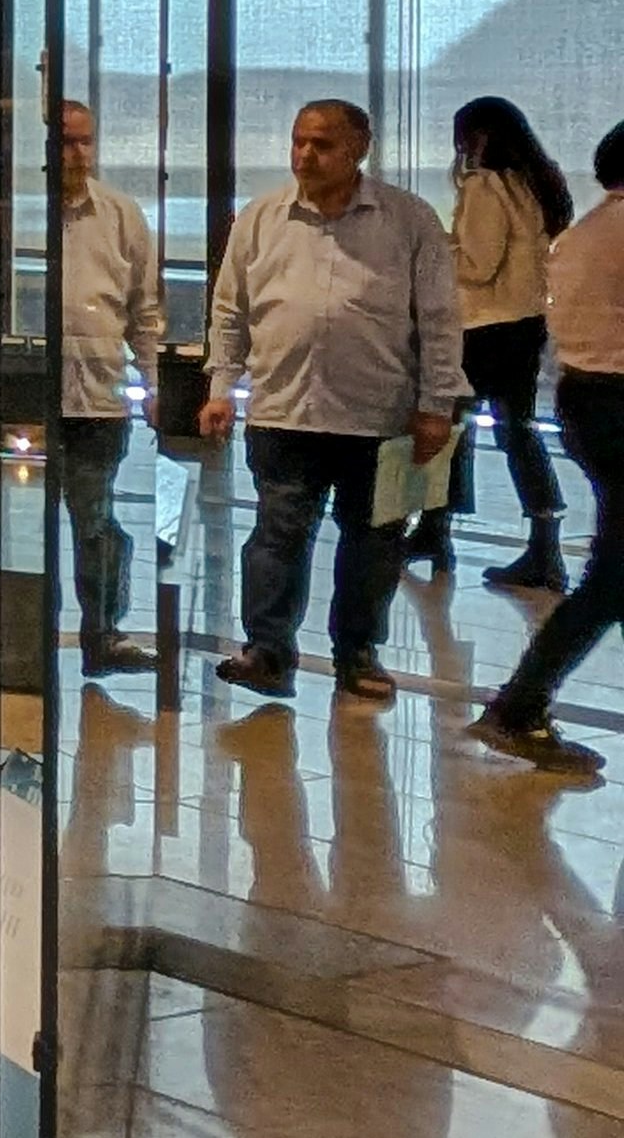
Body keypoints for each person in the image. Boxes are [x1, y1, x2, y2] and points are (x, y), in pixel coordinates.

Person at [197, 99, 462, 701]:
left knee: (373, 542)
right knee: (276, 535)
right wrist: (221, 389)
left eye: (322, 145)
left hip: (379, 415)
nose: (305, 155)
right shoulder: (261, 218)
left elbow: (440, 320)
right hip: (284, 411)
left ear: (359, 149)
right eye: (299, 142)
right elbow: (230, 310)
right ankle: (267, 651)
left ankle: (358, 653)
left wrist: (437, 404)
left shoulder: (408, 220)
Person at [467, 118, 624, 774]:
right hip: (615, 400)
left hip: (585, 400)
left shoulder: (586, 232)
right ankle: (518, 704)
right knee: (611, 577)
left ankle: (520, 703)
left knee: (615, 570)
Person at [50, 99, 166, 675]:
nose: (79, 154)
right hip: (30, 398)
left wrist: (152, 382)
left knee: (95, 521)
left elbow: (145, 309)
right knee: (22, 524)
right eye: (66, 141)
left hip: (98, 396)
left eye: (86, 141)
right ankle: (26, 637)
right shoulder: (17, 211)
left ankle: (103, 635)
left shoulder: (120, 214)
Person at [443, 95, 574, 592]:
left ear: (479, 136)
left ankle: (435, 530)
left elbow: (477, 265)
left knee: (449, 426)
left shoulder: (485, 187)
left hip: (483, 325)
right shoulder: (536, 184)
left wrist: (436, 248)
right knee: (517, 430)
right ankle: (545, 543)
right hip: (525, 323)